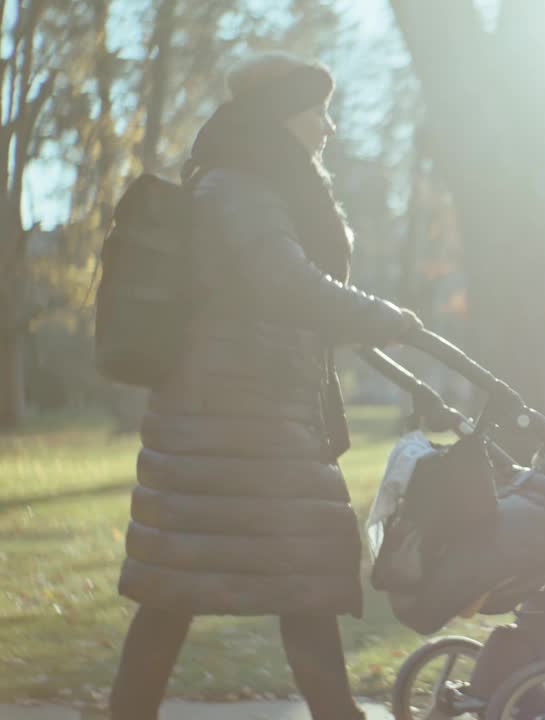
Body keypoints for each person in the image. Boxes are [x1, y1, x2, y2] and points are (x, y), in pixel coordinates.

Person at [108, 51, 422, 720]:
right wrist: (384, 318)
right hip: (238, 419)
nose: (329, 128)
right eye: (317, 112)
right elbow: (285, 282)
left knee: (226, 582)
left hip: (246, 416)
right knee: (283, 577)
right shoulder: (242, 188)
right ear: (281, 117)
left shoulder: (254, 182)